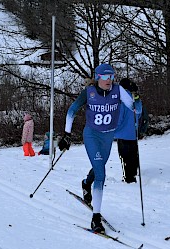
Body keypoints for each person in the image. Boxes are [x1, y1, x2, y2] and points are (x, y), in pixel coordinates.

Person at [58, 63, 137, 233]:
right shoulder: (89, 92)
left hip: (108, 136)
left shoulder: (118, 90)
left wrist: (134, 94)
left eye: (111, 76)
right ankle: (96, 218)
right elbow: (72, 110)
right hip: (92, 135)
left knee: (98, 167)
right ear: (98, 78)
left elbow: (133, 108)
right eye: (105, 77)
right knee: (101, 173)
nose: (109, 80)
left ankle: (86, 183)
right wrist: (67, 134)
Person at [83, 78, 143, 189]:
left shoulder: (121, 100)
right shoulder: (135, 99)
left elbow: (118, 118)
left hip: (122, 134)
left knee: (124, 156)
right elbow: (139, 114)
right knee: (133, 154)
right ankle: (133, 174)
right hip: (133, 133)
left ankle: (129, 179)